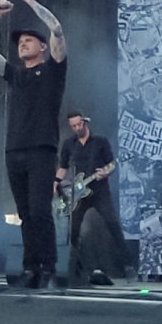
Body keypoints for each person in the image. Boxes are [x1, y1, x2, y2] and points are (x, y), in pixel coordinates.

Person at [0, 0, 71, 290]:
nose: (23, 44)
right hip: (14, 150)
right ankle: (30, 268)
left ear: (42, 47)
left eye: (29, 40)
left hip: (41, 150)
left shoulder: (54, 70)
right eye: (20, 42)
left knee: (40, 210)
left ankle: (49, 268)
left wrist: (30, 2)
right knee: (25, 214)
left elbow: (56, 29)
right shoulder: (16, 75)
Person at [57, 110, 118, 285]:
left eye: (79, 124)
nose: (77, 128)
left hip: (99, 191)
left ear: (85, 122)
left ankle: (125, 265)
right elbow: (63, 167)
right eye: (74, 126)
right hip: (78, 193)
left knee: (111, 223)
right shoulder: (69, 144)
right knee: (74, 230)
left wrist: (106, 172)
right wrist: (56, 182)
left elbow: (112, 164)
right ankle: (74, 265)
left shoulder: (100, 142)